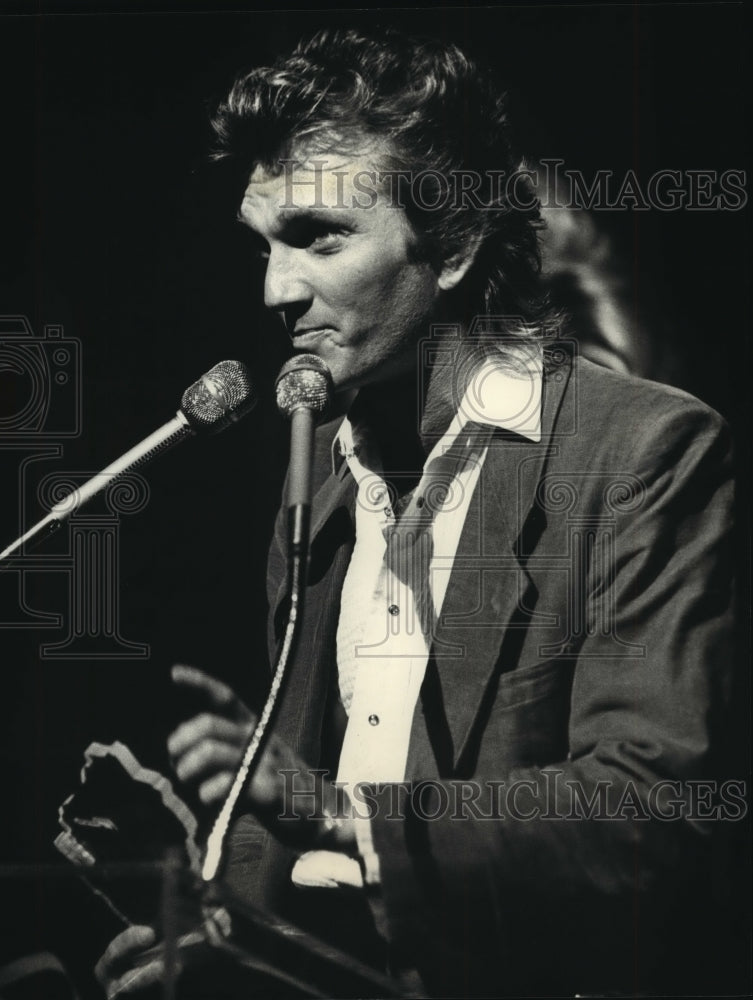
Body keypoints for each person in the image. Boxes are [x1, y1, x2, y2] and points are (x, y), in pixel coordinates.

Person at [95, 26, 736, 999]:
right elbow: (310, 833)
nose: (274, 289)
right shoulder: (325, 474)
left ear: (455, 243)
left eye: (318, 237)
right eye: (263, 245)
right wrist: (213, 932)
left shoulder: (642, 451)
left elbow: (651, 807)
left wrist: (339, 811)